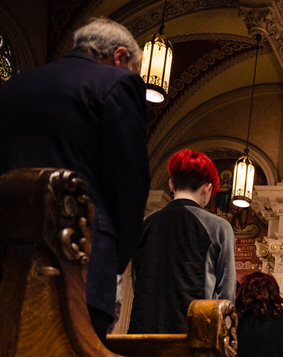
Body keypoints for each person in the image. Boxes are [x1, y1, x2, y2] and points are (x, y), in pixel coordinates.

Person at [0, 17, 149, 340]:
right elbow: (129, 185)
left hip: (9, 256)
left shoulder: (13, 87)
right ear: (120, 57)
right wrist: (114, 261)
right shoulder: (116, 83)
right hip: (81, 260)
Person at [129, 149, 236, 333]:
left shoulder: (146, 224)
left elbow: (137, 280)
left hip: (144, 330)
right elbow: (226, 296)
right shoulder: (218, 227)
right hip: (194, 335)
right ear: (207, 188)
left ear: (171, 184)